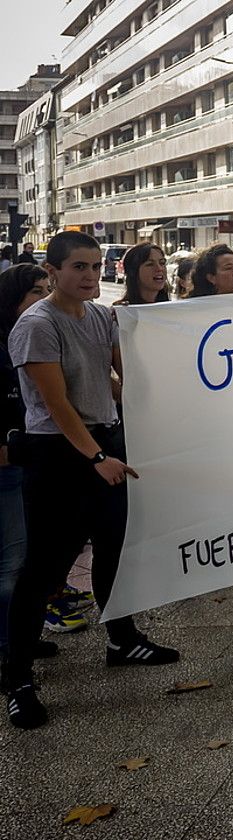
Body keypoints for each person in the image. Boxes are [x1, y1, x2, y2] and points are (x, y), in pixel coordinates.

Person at [4, 232, 181, 729]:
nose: (88, 276)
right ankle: (17, 678)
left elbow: (122, 376)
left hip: (105, 442)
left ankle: (122, 639)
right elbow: (56, 405)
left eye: (95, 266)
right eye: (78, 267)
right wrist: (98, 455)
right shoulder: (37, 324)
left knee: (113, 548)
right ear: (54, 271)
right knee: (44, 568)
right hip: (61, 454)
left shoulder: (101, 316)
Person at [1, 265, 70, 659]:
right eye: (34, 292)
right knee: (12, 562)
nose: (44, 299)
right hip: (9, 468)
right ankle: (10, 649)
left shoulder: (42, 334)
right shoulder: (16, 341)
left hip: (34, 461)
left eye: (47, 290)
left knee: (30, 556)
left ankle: (21, 637)